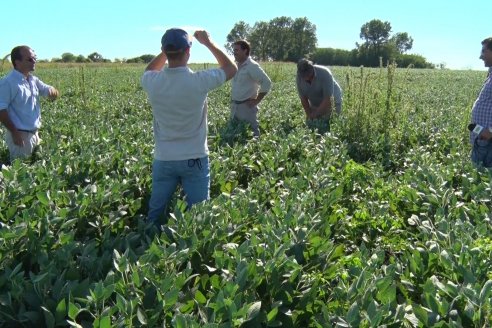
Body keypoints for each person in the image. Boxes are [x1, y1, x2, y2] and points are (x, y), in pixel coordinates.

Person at [141, 28, 237, 228]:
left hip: (164, 158)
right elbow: (231, 68)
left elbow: (149, 69)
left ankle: (146, 247)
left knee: (155, 214)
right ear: (188, 52)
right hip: (195, 158)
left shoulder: (152, 81)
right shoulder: (199, 80)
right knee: (199, 218)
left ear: (164, 52)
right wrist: (209, 43)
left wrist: (166, 51)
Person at [0, 46, 59, 162]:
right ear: (17, 62)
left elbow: (49, 90)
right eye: (30, 59)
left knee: (34, 171)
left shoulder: (33, 80)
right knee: (20, 174)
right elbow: (1, 110)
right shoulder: (8, 82)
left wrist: (53, 92)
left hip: (35, 134)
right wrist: (14, 133)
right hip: (20, 136)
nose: (34, 61)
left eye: (34, 58)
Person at [230, 40, 272, 137]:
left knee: (253, 135)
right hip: (234, 107)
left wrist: (256, 101)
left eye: (236, 50)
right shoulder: (236, 65)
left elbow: (267, 82)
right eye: (234, 50)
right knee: (235, 136)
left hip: (246, 107)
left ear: (245, 51)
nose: (234, 52)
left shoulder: (252, 66)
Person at [296, 58, 343, 132]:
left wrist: (315, 114)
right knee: (312, 125)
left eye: (311, 77)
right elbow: (303, 98)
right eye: (306, 79)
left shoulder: (325, 73)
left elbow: (328, 100)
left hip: (333, 102)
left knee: (329, 125)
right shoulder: (299, 77)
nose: (309, 80)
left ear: (312, 68)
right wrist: (309, 114)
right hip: (316, 103)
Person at [470, 37, 492, 168]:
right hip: (482, 139)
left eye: (484, 51)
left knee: (485, 181)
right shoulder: (490, 74)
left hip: (488, 139)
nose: (480, 56)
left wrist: (490, 131)